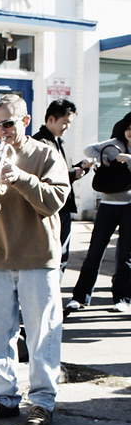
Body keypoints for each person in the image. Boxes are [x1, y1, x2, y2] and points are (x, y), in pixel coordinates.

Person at [0, 94, 68, 425]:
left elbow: (55, 200)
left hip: (38, 257)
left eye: (9, 123)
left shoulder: (46, 154)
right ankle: (4, 398)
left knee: (42, 335)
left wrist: (18, 178)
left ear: (26, 120)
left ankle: (42, 402)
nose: (2, 131)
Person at [65, 111, 131, 314]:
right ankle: (80, 297)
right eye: (129, 128)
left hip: (130, 206)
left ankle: (123, 299)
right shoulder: (114, 143)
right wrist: (112, 156)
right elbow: (89, 150)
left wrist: (128, 158)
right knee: (94, 252)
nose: (130, 132)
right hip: (108, 206)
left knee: (126, 256)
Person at [31, 99, 92, 274]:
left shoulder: (61, 143)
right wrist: (73, 174)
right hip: (48, 209)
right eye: (65, 122)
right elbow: (40, 176)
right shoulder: (39, 143)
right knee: (48, 254)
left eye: (69, 123)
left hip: (64, 206)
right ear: (51, 119)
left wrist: (80, 169)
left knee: (62, 255)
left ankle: (55, 295)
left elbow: (64, 172)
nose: (67, 127)